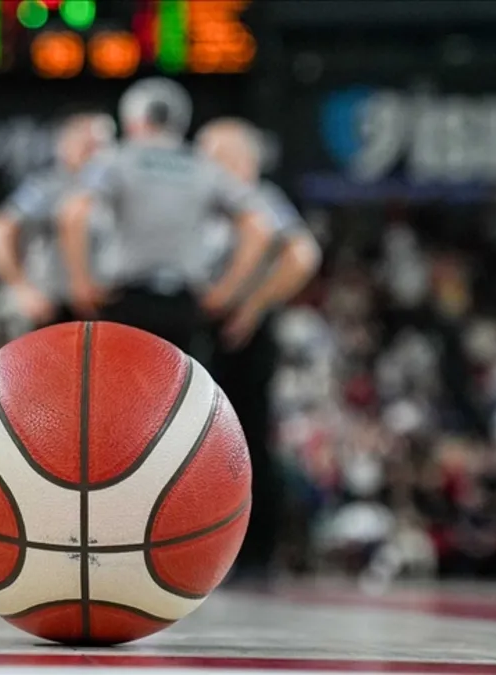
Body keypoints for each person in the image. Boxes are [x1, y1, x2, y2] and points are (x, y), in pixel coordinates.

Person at [57, 78, 275, 356]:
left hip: (125, 299)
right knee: (182, 394)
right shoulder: (203, 165)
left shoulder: (117, 159)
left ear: (133, 119)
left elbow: (73, 213)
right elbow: (259, 224)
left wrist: (80, 281)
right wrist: (227, 289)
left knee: (123, 392)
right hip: (185, 304)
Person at [196, 118, 322, 580]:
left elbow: (303, 256)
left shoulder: (259, 199)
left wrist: (252, 305)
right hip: (202, 327)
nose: (209, 165)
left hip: (244, 336)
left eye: (220, 156)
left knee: (246, 442)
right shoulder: (202, 202)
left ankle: (254, 553)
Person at [0, 110, 116, 328]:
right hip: (53, 307)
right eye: (86, 145)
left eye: (100, 145)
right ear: (65, 146)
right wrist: (21, 288)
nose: (95, 153)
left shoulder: (113, 189)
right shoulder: (49, 187)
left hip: (100, 306)